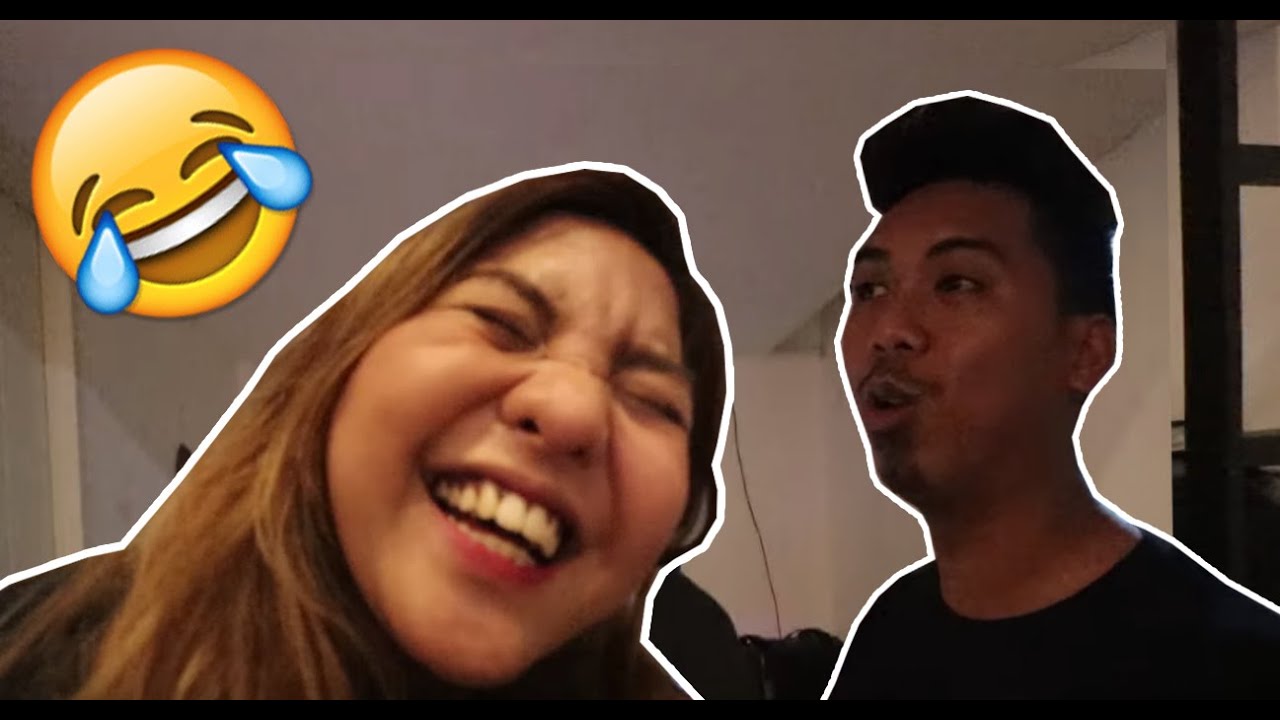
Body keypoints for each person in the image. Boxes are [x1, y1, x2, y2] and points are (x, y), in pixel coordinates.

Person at [0, 167, 729, 700]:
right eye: (502, 323)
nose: (572, 411)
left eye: (652, 402)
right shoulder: (39, 650)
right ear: (337, 373)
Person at [826, 94, 1280, 700]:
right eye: (869, 289)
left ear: (1085, 352)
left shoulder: (1232, 665)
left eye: (956, 283)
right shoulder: (891, 631)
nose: (888, 331)